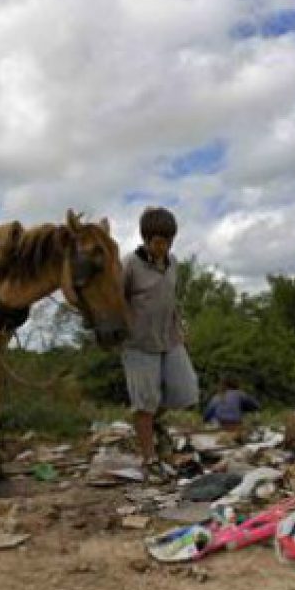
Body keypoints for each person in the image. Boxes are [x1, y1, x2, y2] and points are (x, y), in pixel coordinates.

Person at [121, 206, 199, 481]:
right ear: (145, 239)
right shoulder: (129, 265)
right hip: (139, 343)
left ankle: (155, 423)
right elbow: (116, 301)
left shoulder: (173, 263)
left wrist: (180, 326)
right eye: (158, 242)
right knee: (144, 404)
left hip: (170, 339)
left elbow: (171, 298)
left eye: (169, 241)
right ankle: (149, 459)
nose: (163, 247)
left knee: (186, 391)